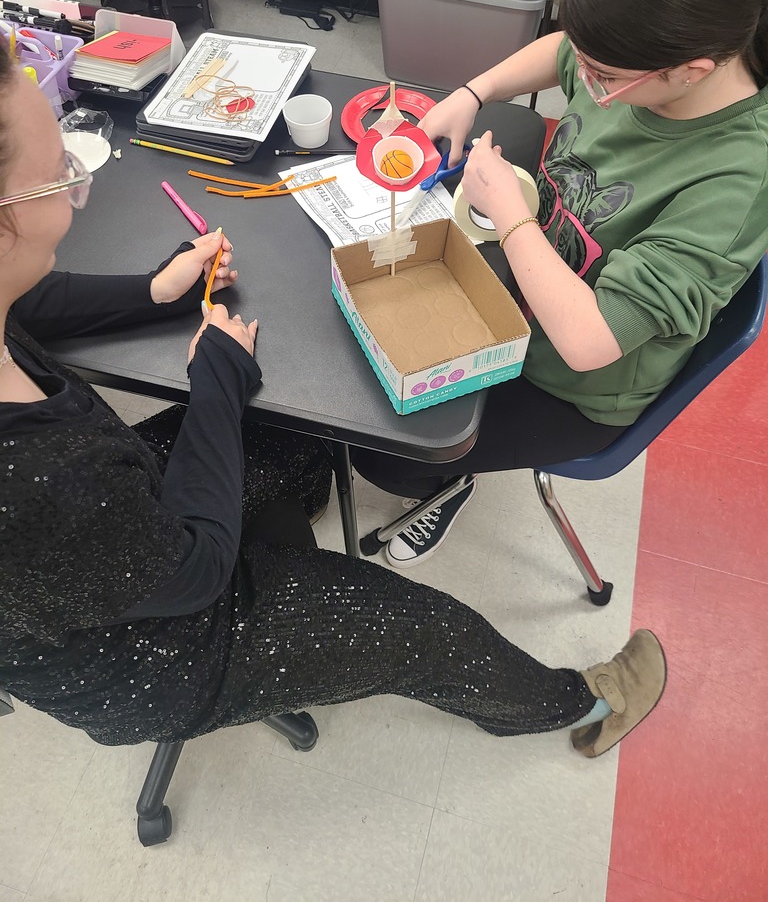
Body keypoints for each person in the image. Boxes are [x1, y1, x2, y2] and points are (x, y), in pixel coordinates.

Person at [0, 40, 665, 761]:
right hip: (156, 652)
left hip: (108, 541)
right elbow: (190, 571)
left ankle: (291, 503)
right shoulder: (39, 479)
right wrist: (216, 380)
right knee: (422, 630)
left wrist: (153, 291)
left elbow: (24, 301)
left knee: (302, 428)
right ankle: (572, 703)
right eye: (61, 175)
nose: (74, 185)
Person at [352, 0, 768, 568]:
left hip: (574, 382)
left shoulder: (738, 183)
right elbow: (566, 53)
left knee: (389, 457)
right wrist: (472, 91)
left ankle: (448, 485)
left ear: (692, 72)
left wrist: (512, 215)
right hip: (529, 274)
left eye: (605, 77)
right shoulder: (647, 59)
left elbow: (588, 341)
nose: (588, 80)